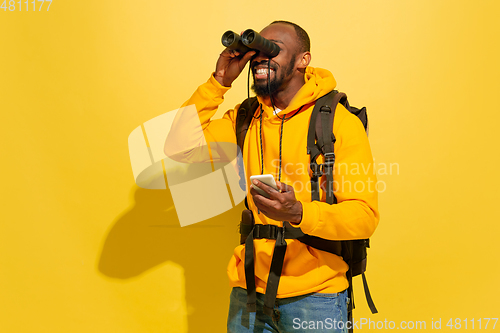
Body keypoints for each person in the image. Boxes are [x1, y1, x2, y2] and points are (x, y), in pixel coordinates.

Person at [164, 21, 379, 333]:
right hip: (248, 292)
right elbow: (177, 146)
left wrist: (298, 212)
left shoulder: (338, 123)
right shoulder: (244, 117)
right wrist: (219, 82)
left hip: (316, 297)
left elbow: (364, 216)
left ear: (303, 60)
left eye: (273, 49)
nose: (261, 58)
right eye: (259, 50)